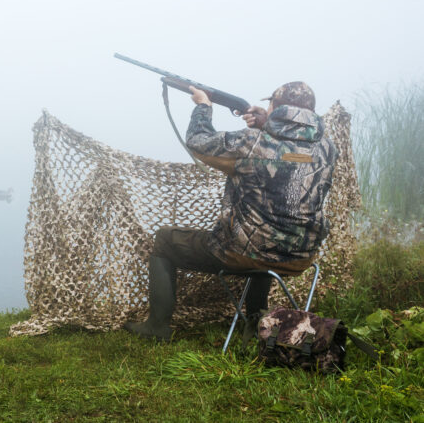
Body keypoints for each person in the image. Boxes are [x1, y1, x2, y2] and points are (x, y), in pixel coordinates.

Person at [124, 81, 338, 342]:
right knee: (268, 238)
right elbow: (290, 156)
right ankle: (255, 323)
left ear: (276, 107)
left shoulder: (251, 141)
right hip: (299, 257)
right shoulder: (327, 149)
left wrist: (203, 106)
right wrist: (266, 124)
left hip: (243, 253)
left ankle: (157, 327)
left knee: (165, 240)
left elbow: (198, 142)